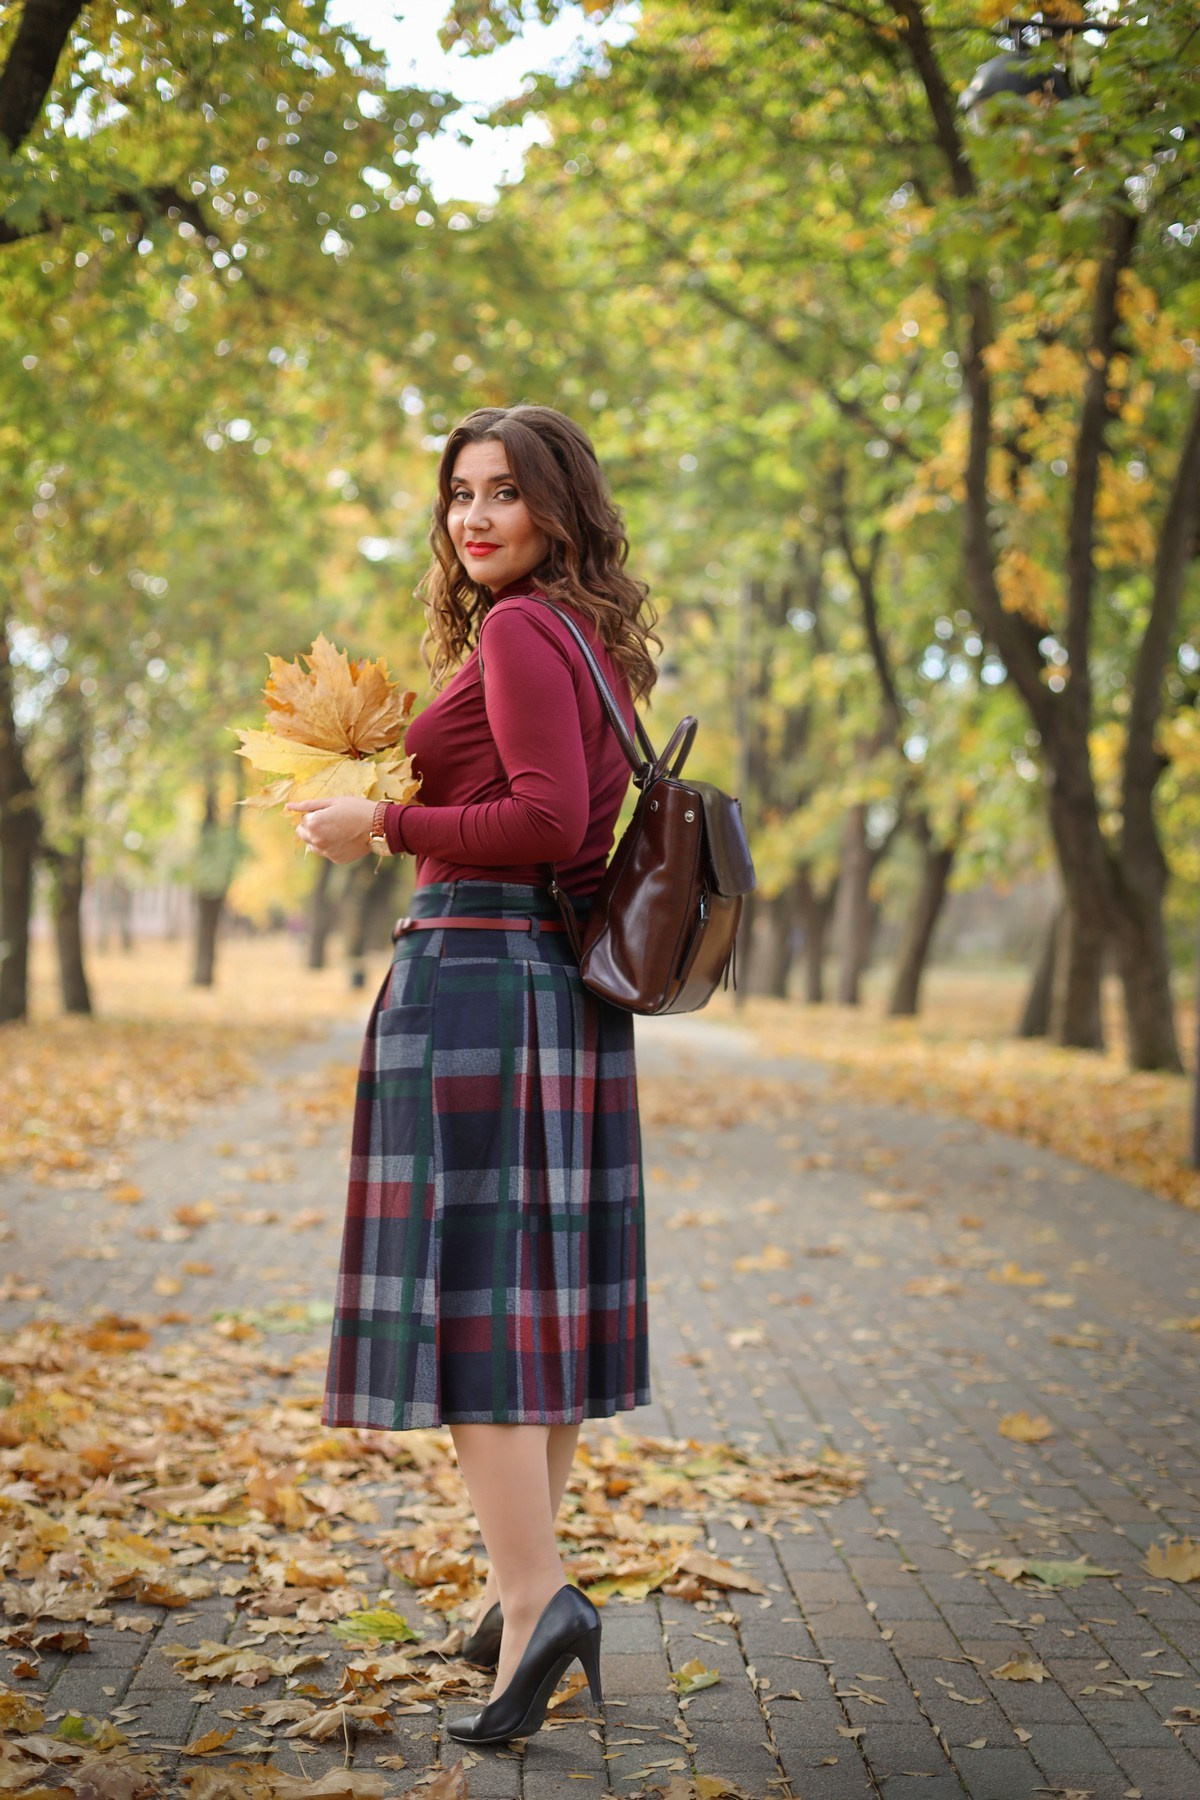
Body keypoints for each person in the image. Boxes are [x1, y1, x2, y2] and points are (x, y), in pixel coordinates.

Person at [285, 403, 661, 1749]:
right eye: (458, 494)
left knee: (476, 1302)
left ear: (557, 506)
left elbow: (549, 821)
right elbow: (557, 809)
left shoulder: (515, 631)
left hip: (481, 979)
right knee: (534, 1301)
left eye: (505, 491)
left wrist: (376, 821)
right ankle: (523, 1601)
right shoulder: (587, 636)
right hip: (553, 986)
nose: (475, 515)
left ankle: (536, 1592)